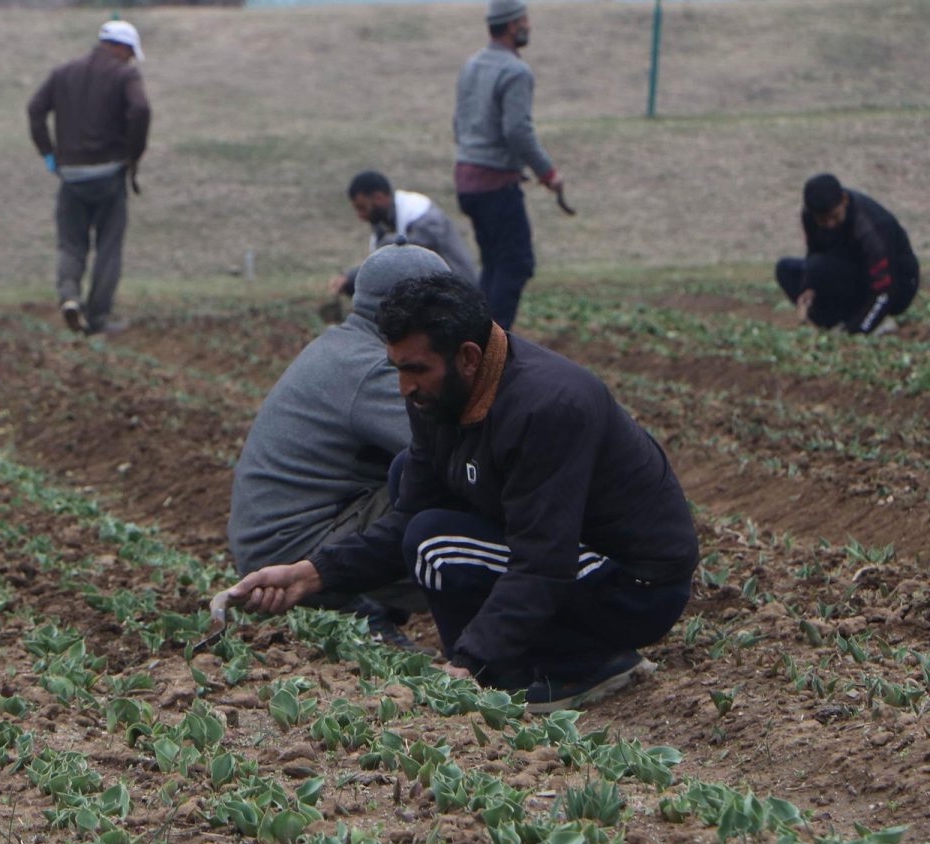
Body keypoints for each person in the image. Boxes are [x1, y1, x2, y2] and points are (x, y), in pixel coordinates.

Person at [223, 272, 699, 714]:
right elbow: (408, 514)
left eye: (415, 369)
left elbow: (543, 561)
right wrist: (313, 573)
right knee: (412, 492)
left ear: (469, 356)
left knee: (437, 545)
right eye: (397, 368)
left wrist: (470, 664)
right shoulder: (438, 397)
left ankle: (571, 669)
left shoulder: (548, 406)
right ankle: (520, 662)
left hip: (636, 586)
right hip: (573, 559)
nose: (404, 387)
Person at [231, 243, 450, 644]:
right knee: (454, 492)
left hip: (275, 543)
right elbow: (456, 447)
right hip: (293, 551)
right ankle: (357, 607)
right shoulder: (372, 367)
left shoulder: (345, 344)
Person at [27, 19, 151, 337]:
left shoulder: (63, 73)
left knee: (71, 244)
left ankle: (69, 297)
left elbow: (35, 109)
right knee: (108, 248)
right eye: (130, 53)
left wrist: (49, 153)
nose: (130, 59)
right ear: (120, 47)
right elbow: (140, 109)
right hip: (109, 174)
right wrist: (133, 154)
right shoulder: (125, 74)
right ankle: (97, 319)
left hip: (71, 176)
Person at [452, 0, 563, 330]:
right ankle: (490, 349)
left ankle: (473, 338)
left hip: (466, 181)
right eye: (525, 20)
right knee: (516, 263)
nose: (529, 25)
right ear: (513, 25)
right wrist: (548, 173)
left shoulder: (472, 65)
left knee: (493, 265)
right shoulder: (516, 71)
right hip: (495, 184)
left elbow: (458, 122)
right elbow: (517, 131)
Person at [775, 173, 919, 335]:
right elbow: (815, 251)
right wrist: (809, 287)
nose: (829, 224)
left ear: (844, 200)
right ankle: (836, 319)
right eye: (823, 220)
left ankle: (870, 321)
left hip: (896, 284)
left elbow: (885, 288)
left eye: (834, 217)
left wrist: (856, 331)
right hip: (851, 268)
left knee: (818, 268)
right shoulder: (810, 216)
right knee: (786, 270)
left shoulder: (870, 227)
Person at [327, 171, 479, 299]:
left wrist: (353, 278)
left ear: (379, 198)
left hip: (460, 298)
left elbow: (398, 260)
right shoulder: (386, 221)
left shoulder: (423, 218)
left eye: (362, 208)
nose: (361, 216)